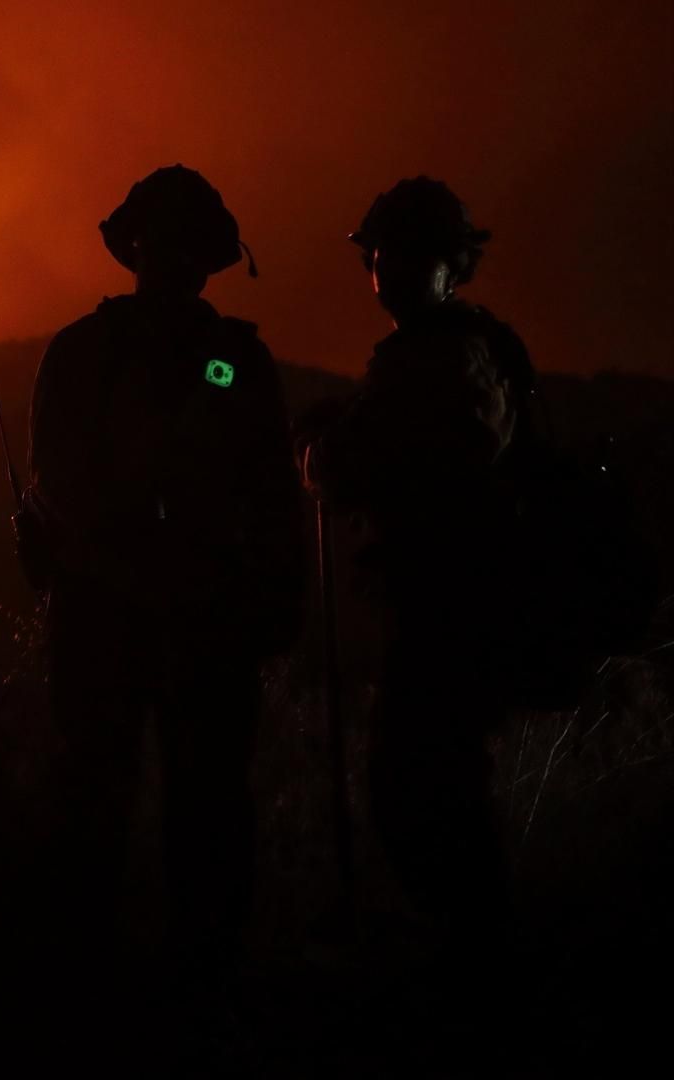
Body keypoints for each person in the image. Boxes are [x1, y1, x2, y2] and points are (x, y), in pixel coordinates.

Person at [309, 177, 654, 956]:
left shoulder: (447, 354)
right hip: (450, 607)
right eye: (381, 254)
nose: (387, 269)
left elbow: (431, 464)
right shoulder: (454, 348)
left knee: (422, 794)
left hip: (453, 612)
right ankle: (479, 964)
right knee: (430, 789)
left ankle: (484, 973)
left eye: (407, 254)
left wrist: (332, 453)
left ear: (449, 265)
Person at [19, 166, 306, 981]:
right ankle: (93, 983)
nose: (173, 262)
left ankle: (197, 982)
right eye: (163, 245)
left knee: (203, 807)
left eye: (186, 249)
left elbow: (269, 489)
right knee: (97, 802)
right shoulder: (87, 354)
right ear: (137, 249)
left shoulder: (231, 361)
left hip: (195, 620)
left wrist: (273, 597)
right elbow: (60, 480)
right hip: (114, 615)